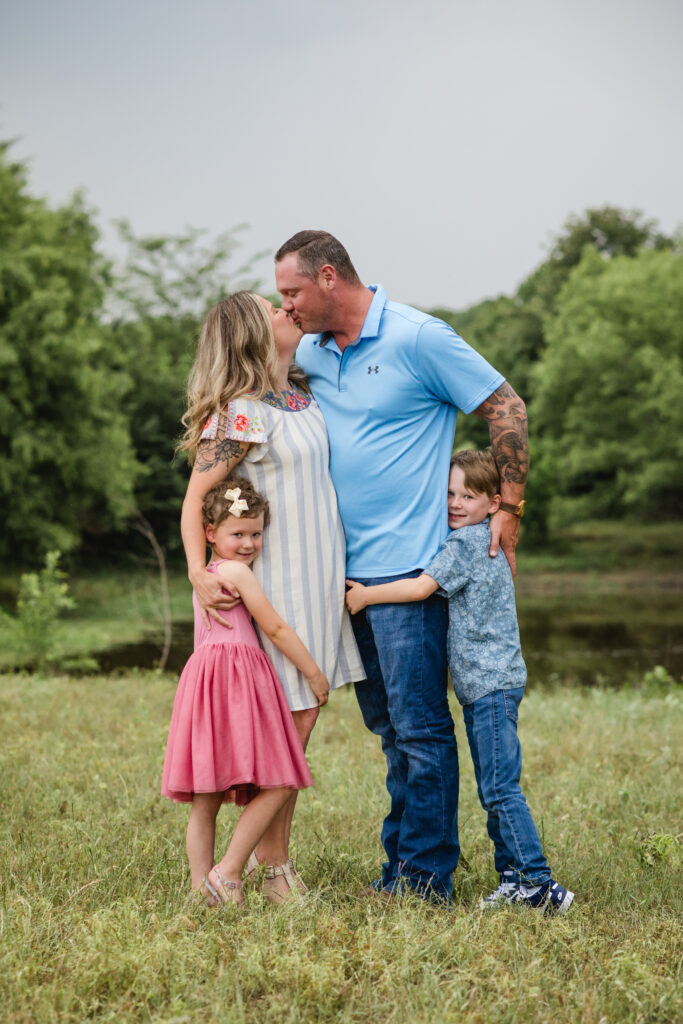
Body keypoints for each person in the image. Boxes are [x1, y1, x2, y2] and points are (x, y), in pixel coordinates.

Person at [275, 230, 528, 902]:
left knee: (420, 731)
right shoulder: (308, 353)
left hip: (409, 577)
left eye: (292, 292)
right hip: (342, 581)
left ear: (328, 277)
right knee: (390, 732)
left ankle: (424, 882)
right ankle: (401, 868)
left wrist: (508, 507)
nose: (286, 305)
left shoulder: (419, 337)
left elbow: (505, 405)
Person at [179, 291, 364, 901]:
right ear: (253, 335)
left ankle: (269, 865)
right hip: (276, 583)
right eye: (275, 310)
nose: (289, 312)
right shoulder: (242, 412)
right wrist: (198, 573)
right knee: (289, 731)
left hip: (319, 579)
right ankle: (258, 870)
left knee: (301, 722)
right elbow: (194, 498)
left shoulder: (301, 397)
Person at [346, 450, 574, 914]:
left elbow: (418, 589)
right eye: (449, 494)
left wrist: (366, 594)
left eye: (467, 496)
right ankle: (514, 876)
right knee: (495, 784)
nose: (455, 503)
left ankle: (539, 883)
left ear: (494, 503)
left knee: (498, 789)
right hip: (491, 684)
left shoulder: (466, 545)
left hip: (489, 685)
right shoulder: (475, 538)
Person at [162, 476, 328, 907]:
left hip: (205, 684)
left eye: (256, 534)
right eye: (238, 534)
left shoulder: (208, 574)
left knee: (207, 795)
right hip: (235, 682)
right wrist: (313, 673)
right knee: (280, 779)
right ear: (211, 534)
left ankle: (203, 888)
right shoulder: (235, 572)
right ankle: (229, 870)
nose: (250, 543)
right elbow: (273, 627)